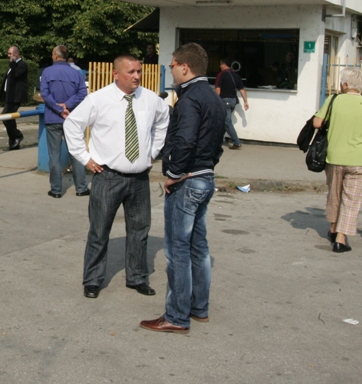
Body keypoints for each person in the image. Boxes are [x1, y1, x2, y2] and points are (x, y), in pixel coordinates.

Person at [65, 54, 169, 299]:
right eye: (131, 72)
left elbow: (164, 121)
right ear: (116, 74)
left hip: (139, 178)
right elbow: (72, 125)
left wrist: (153, 151)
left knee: (139, 230)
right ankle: (92, 280)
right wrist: (84, 157)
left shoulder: (150, 99)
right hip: (107, 177)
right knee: (99, 231)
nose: (136, 76)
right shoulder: (98, 100)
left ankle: (137, 277)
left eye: (139, 71)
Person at [140, 43, 225, 335]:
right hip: (206, 177)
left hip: (188, 181)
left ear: (184, 67)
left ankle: (176, 315)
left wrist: (174, 173)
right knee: (198, 247)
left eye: (173, 64)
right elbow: (216, 142)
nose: (171, 69)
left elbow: (185, 140)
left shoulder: (189, 99)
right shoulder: (213, 97)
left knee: (177, 249)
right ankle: (198, 307)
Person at [313, 68, 362, 253]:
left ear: (345, 85)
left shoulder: (333, 101)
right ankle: (341, 238)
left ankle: (333, 228)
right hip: (359, 159)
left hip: (334, 157)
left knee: (334, 194)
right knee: (351, 199)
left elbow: (317, 123)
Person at [41, 45, 88, 197]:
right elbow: (82, 92)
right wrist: (67, 105)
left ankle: (56, 190)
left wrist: (59, 108)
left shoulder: (47, 72)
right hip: (72, 118)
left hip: (53, 117)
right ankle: (81, 188)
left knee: (54, 156)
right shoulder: (76, 73)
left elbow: (45, 94)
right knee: (76, 153)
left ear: (55, 55)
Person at [215, 58, 249, 154]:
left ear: (223, 65)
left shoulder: (221, 75)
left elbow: (218, 90)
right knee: (222, 121)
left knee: (226, 121)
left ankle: (236, 142)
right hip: (233, 101)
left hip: (224, 101)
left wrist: (214, 101)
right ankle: (218, 141)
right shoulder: (237, 76)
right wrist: (245, 101)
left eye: (220, 64)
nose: (219, 66)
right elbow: (242, 90)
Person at [0, 46, 28, 150]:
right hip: (9, 97)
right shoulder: (13, 65)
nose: (8, 56)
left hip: (16, 97)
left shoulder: (22, 65)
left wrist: (13, 63)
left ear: (16, 54)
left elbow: (16, 75)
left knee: (5, 117)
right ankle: (13, 143)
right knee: (10, 119)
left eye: (10, 54)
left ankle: (18, 135)